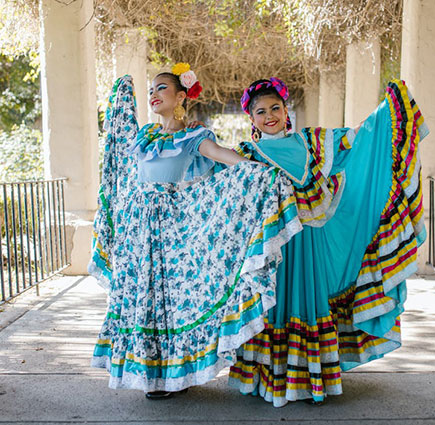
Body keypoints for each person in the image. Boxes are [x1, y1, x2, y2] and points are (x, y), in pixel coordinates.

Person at [89, 65, 303, 399]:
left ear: (180, 97)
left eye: (162, 89)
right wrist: (122, 93)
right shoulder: (143, 138)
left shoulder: (192, 137)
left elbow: (225, 158)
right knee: (146, 301)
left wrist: (267, 174)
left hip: (175, 230)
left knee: (174, 303)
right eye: (151, 91)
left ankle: (177, 377)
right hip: (140, 234)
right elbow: (120, 160)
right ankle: (151, 376)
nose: (154, 95)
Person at [228, 77, 429, 407]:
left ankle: (310, 379)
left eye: (275, 108)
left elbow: (359, 143)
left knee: (307, 299)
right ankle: (270, 377)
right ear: (251, 119)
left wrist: (385, 115)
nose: (270, 116)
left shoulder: (312, 143)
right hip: (271, 248)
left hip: (309, 243)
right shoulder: (244, 153)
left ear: (286, 109)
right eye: (261, 111)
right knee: (273, 303)